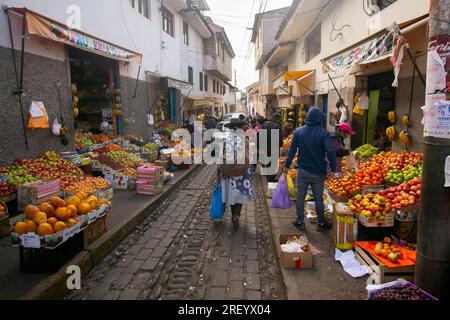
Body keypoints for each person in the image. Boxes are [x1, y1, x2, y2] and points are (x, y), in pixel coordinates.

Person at [282, 107, 337, 232]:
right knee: (318, 198)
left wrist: (286, 165)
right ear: (319, 119)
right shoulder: (324, 133)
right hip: (318, 172)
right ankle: (321, 223)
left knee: (300, 196)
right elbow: (330, 151)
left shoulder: (299, 131)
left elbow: (291, 150)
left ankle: (300, 221)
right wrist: (333, 168)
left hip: (302, 171)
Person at [218, 119, 254, 229]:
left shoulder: (226, 141)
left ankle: (234, 214)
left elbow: (220, 159)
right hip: (242, 173)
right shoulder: (245, 140)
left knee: (232, 194)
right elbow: (250, 158)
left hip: (228, 172)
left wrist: (218, 173)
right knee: (240, 194)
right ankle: (236, 215)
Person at [259, 113, 283, 182]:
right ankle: (270, 179)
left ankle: (267, 176)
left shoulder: (264, 124)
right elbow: (280, 139)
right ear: (278, 118)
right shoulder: (277, 126)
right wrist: (280, 145)